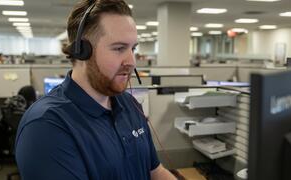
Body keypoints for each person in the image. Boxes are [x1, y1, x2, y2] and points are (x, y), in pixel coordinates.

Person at [15, 0, 177, 179]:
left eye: (133, 48)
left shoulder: (129, 103)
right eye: (119, 48)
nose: (132, 62)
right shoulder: (46, 126)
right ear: (83, 50)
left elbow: (155, 171)